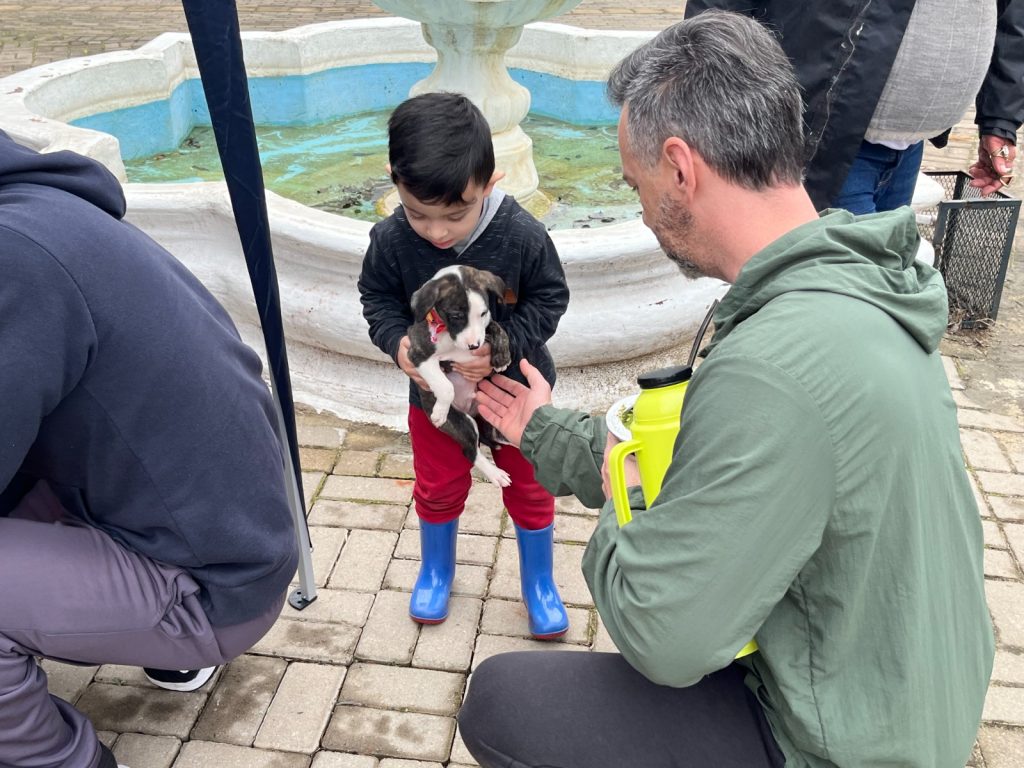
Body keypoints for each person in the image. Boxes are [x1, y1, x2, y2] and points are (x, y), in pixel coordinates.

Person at [457, 12, 994, 767]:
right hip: (900, 694)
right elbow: (711, 467)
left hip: (841, 744)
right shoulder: (853, 284)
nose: (640, 208)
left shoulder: (774, 364)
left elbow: (663, 634)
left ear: (680, 167)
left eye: (635, 182)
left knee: (504, 701)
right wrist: (544, 429)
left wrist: (627, 495)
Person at [0, 131, 298, 768]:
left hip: (217, 585)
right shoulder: (45, 206)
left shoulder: (14, 256)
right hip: (243, 529)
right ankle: (160, 648)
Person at [357, 92, 572, 638]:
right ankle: (436, 570)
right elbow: (377, 299)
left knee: (530, 485)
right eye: (418, 213)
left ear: (491, 181)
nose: (436, 233)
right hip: (436, 401)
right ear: (394, 179)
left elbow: (550, 298)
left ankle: (539, 584)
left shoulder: (520, 235)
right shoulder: (389, 239)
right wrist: (397, 344)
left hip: (519, 396)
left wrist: (504, 348)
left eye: (456, 213)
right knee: (437, 483)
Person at [683, 0, 1024, 213]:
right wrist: (712, 111)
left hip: (910, 149)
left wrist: (999, 119)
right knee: (840, 299)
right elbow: (719, 8)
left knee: (874, 291)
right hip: (825, 137)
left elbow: (1012, 16)